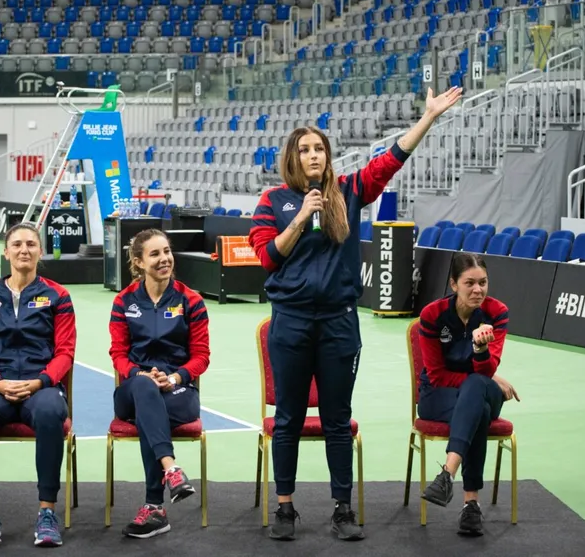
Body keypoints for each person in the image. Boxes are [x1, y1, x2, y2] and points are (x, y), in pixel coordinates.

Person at [248, 87, 464, 541]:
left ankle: (342, 508)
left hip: (338, 323)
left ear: (328, 157)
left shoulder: (349, 191)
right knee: (287, 416)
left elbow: (393, 158)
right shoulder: (273, 201)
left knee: (337, 417)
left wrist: (427, 118)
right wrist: (301, 216)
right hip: (289, 323)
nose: (313, 156)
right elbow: (268, 257)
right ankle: (284, 507)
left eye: (320, 149)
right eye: (304, 150)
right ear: (292, 157)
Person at [0, 222, 76, 548]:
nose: (24, 250)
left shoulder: (58, 296)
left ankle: (47, 512)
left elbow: (65, 353)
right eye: (17, 244)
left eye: (30, 244)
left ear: (40, 251)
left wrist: (39, 383)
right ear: (5, 250)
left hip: (42, 389)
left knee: (53, 411)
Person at [108, 228, 209, 539]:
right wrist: (143, 376)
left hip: (179, 392)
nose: (165, 259)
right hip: (134, 389)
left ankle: (155, 508)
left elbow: (201, 356)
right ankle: (172, 471)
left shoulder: (191, 300)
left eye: (166, 251)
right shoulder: (124, 302)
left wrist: (176, 377)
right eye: (155, 254)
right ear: (138, 262)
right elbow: (119, 354)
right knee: (143, 388)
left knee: (151, 411)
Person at [416, 252, 519, 536]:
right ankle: (470, 505)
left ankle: (446, 475)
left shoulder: (497, 312)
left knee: (476, 387)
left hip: (480, 386)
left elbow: (487, 368)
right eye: (469, 283)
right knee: (479, 410)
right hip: (437, 395)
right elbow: (436, 375)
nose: (478, 290)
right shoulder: (432, 315)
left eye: (483, 283)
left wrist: (480, 350)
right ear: (453, 285)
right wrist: (487, 378)